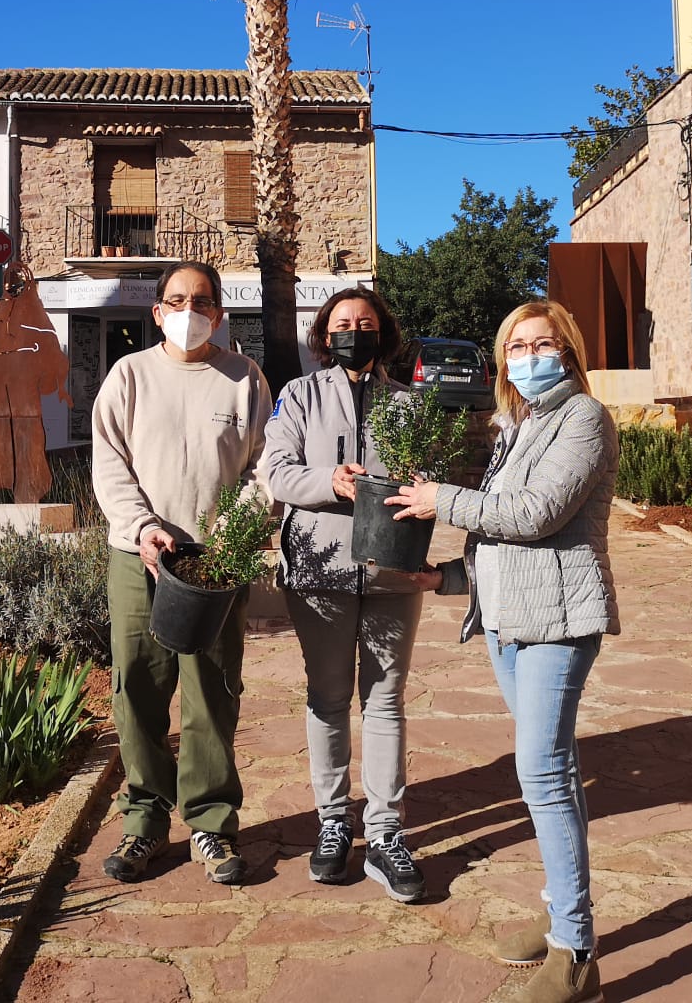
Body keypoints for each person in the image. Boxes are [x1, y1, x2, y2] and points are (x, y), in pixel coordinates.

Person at [388, 299, 617, 1003]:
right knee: (554, 774)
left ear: (569, 350)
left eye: (543, 342)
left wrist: (440, 500)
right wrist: (449, 577)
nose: (528, 353)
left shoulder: (584, 418)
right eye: (517, 344)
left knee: (542, 773)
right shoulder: (517, 424)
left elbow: (537, 514)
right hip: (509, 619)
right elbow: (501, 537)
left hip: (557, 622)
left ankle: (577, 952)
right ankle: (560, 923)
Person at [91, 260, 272, 885]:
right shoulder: (129, 376)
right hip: (137, 554)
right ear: (157, 311)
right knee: (137, 688)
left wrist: (233, 534)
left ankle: (212, 824)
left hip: (215, 564)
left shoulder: (244, 379)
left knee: (212, 692)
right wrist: (143, 526)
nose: (188, 310)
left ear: (219, 313)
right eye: (176, 299)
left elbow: (263, 469)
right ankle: (143, 819)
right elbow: (110, 463)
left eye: (201, 300)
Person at [262, 287, 433, 902]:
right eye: (342, 323)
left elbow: (427, 479)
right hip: (321, 570)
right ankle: (333, 822)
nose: (353, 331)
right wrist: (327, 481)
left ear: (381, 331)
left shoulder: (408, 405)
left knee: (385, 703)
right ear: (324, 334)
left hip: (391, 571)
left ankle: (386, 833)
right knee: (328, 698)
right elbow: (275, 471)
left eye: (364, 323)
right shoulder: (299, 396)